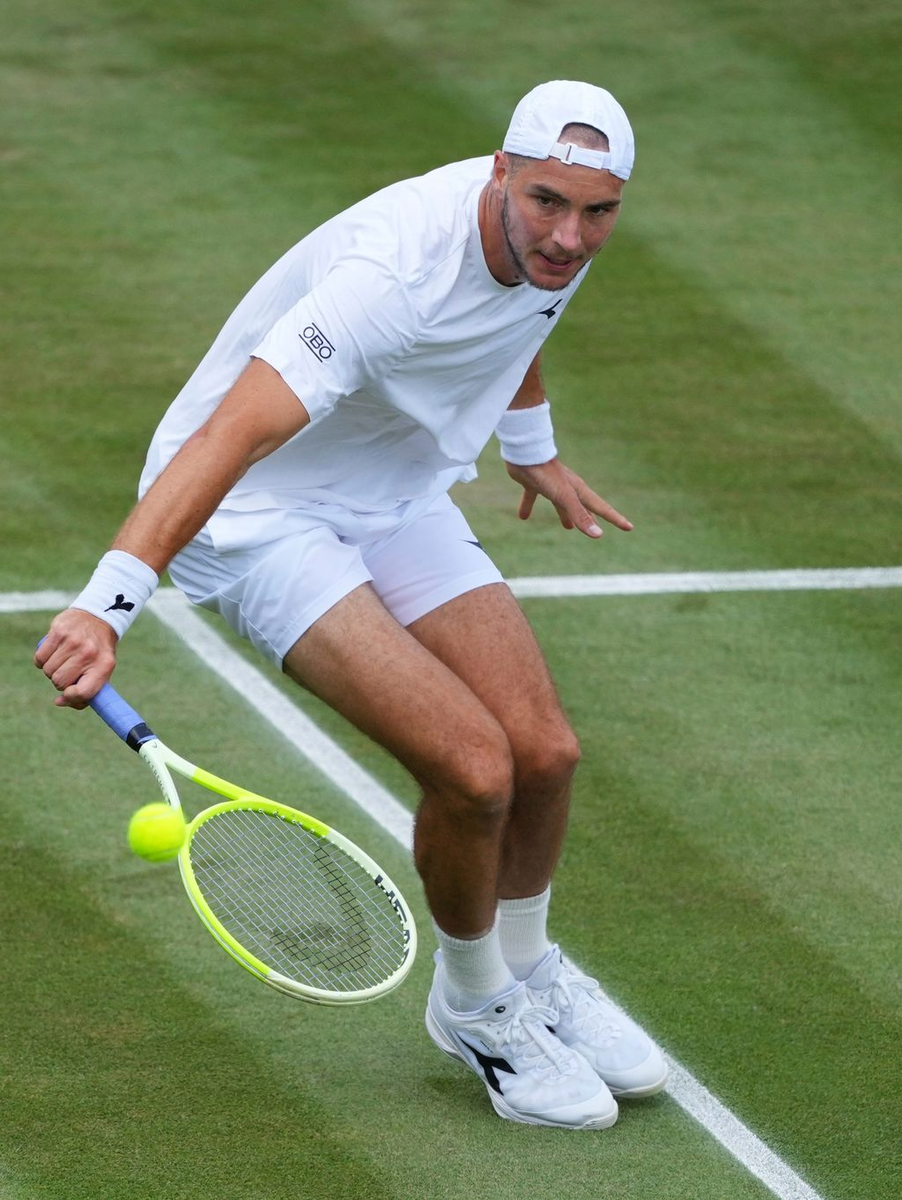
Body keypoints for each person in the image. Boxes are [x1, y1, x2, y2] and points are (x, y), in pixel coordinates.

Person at [35, 79, 668, 1129]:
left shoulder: (557, 239)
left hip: (392, 486)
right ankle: (477, 1006)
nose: (569, 235)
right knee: (474, 769)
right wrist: (109, 604)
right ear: (501, 174)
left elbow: (519, 321)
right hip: (256, 514)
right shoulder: (392, 275)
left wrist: (531, 447)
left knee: (546, 753)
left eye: (597, 211)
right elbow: (230, 436)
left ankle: (530, 968)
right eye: (548, 203)